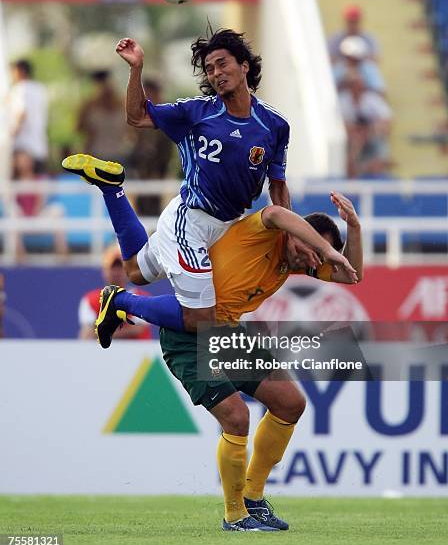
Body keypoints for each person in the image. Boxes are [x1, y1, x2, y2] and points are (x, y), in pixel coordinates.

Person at [91, 188, 362, 532]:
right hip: (188, 337)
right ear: (296, 234)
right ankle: (235, 515)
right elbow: (276, 213)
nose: (312, 258)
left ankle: (254, 499)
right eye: (309, 247)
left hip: (226, 334)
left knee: (290, 402)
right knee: (237, 417)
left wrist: (353, 226)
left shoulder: (296, 261)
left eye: (317, 254)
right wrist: (324, 248)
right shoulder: (267, 231)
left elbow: (351, 275)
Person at [63, 28, 345, 335]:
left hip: (229, 225)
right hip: (192, 220)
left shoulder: (275, 125)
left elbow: (277, 185)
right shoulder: (196, 112)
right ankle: (120, 301)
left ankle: (111, 188)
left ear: (244, 66)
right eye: (210, 69)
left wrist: (291, 235)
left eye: (223, 64)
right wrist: (136, 69)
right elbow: (136, 116)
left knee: (135, 271)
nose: (216, 73)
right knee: (202, 319)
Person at [78, 243, 151, 341]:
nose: (117, 272)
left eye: (120, 267)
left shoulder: (142, 298)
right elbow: (86, 333)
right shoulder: (90, 300)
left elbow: (138, 329)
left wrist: (102, 333)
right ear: (105, 271)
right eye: (113, 268)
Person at [127, 78, 174, 217]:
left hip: (161, 174)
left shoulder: (167, 116)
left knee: (162, 213)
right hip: (140, 174)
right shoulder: (139, 119)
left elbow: (166, 152)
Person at [12, 149, 68, 260]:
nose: (24, 163)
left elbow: (40, 201)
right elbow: (12, 202)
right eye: (21, 160)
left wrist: (35, 215)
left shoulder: (41, 180)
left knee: (58, 210)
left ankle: (63, 255)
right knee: (13, 212)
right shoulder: (13, 182)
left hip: (38, 216)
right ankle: (19, 257)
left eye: (26, 160)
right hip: (22, 219)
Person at [338, 70, 393, 177]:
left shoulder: (372, 99)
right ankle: (353, 170)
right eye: (354, 85)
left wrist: (369, 130)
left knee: (379, 137)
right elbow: (340, 123)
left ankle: (377, 165)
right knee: (354, 142)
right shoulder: (343, 100)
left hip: (372, 134)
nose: (358, 88)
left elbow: (387, 120)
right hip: (352, 137)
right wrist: (355, 131)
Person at [77, 70, 132, 163]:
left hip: (119, 154)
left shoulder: (123, 105)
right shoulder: (89, 106)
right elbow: (79, 128)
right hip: (95, 154)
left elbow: (131, 130)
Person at [8, 59, 48, 172]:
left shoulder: (20, 89)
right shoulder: (40, 89)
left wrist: (10, 135)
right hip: (39, 147)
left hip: (23, 147)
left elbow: (21, 113)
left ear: (20, 71)